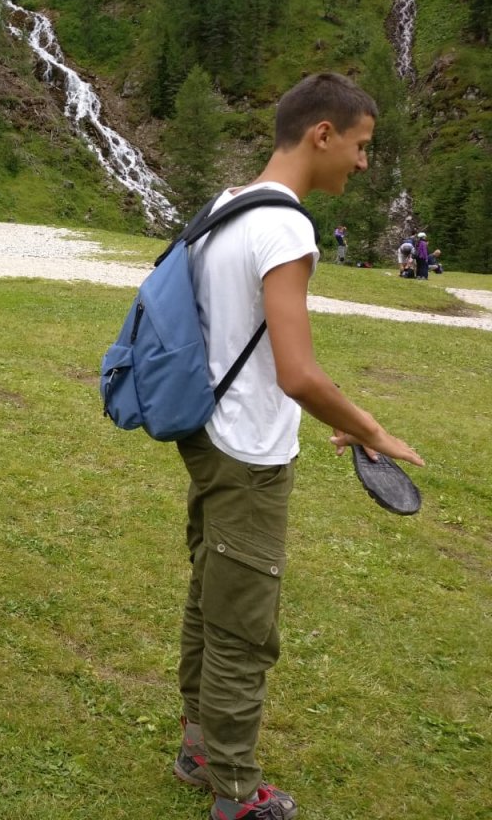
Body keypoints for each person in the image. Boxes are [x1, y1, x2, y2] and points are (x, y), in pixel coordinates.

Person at [170, 73, 422, 820]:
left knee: (210, 599)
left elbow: (246, 342)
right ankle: (236, 794)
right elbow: (297, 373)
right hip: (249, 456)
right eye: (361, 145)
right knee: (242, 629)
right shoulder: (285, 227)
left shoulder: (227, 206)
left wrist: (330, 409)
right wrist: (371, 427)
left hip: (207, 436)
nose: (364, 162)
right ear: (323, 134)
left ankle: (198, 748)